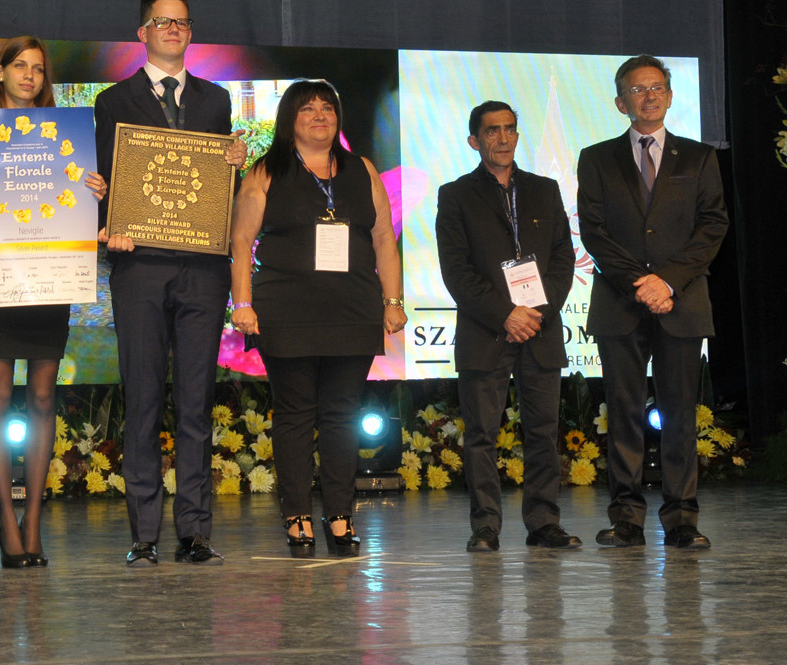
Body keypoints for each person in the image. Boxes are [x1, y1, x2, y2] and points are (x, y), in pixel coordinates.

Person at [94, 0, 247, 566]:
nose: (173, 29)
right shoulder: (113, 101)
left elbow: (215, 184)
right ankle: (144, 534)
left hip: (202, 269)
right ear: (143, 33)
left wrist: (234, 163)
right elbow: (103, 178)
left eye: (181, 22)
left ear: (189, 32)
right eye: (162, 21)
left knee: (196, 401)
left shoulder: (216, 100)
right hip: (138, 266)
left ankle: (195, 532)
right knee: (142, 398)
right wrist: (110, 220)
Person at [228, 80, 405, 558]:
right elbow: (241, 239)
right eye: (308, 109)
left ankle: (340, 514)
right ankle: (297, 516)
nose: (320, 115)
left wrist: (393, 300)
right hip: (287, 312)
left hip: (352, 310)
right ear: (290, 119)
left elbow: (383, 238)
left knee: (342, 416)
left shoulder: (361, 169)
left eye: (328, 107)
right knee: (294, 415)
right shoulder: (267, 170)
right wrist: (242, 303)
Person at [0, 36, 107, 568]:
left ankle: (33, 522)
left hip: (48, 276)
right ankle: (5, 519)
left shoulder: (66, 135)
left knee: (42, 396)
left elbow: (77, 203)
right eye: (19, 66)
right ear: (0, 71)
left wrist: (94, 188)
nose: (29, 76)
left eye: (38, 69)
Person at [576, 55, 728, 549]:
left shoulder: (699, 157)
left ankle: (682, 518)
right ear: (621, 102)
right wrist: (639, 283)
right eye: (638, 89)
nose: (649, 96)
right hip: (620, 303)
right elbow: (594, 231)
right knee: (623, 413)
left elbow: (713, 225)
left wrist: (668, 282)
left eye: (657, 87)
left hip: (681, 303)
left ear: (670, 95)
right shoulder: (597, 158)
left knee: (680, 413)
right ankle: (626, 518)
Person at [436, 101, 580, 553]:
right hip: (487, 331)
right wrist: (505, 314)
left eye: (510, 129)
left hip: (540, 329)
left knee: (543, 432)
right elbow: (456, 271)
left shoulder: (545, 189)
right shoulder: (456, 195)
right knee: (481, 435)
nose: (503, 138)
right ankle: (485, 527)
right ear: (474, 140)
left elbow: (564, 259)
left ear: (518, 135)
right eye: (492, 130)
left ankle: (544, 523)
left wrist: (537, 313)